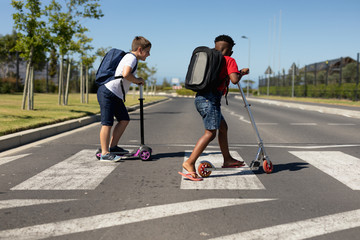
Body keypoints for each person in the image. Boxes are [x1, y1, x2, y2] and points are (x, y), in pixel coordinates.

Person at [179, 34, 249, 180]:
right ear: (230, 50)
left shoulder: (208, 58)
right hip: (210, 100)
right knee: (210, 133)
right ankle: (189, 163)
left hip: (200, 98)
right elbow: (234, 80)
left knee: (223, 128)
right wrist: (241, 72)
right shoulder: (229, 59)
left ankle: (228, 159)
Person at [97, 36, 151, 162]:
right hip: (108, 92)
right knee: (107, 123)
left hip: (115, 94)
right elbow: (126, 74)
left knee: (124, 119)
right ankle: (105, 153)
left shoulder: (130, 58)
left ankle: (113, 147)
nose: (148, 54)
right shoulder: (131, 58)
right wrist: (137, 80)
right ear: (140, 49)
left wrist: (136, 81)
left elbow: (125, 74)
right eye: (147, 51)